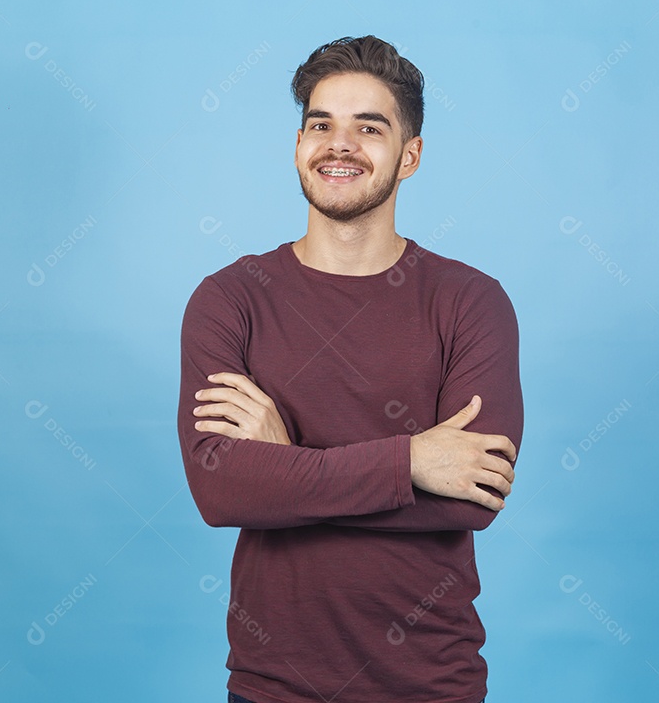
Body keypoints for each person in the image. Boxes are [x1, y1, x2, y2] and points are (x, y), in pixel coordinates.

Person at [178, 34, 522, 703]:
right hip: (272, 686)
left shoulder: (469, 301)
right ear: (299, 144)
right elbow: (220, 492)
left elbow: (473, 499)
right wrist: (410, 464)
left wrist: (285, 467)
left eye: (369, 127)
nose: (340, 145)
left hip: (432, 685)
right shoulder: (230, 299)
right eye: (321, 125)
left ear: (410, 155)